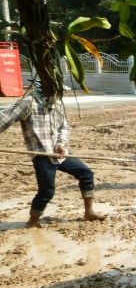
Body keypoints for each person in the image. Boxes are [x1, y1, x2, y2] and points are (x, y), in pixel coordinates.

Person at [0, 87, 106, 228]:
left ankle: (89, 212)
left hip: (60, 153)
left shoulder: (56, 103)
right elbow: (3, 119)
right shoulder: (27, 103)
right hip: (42, 155)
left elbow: (64, 127)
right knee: (47, 191)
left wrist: (61, 143)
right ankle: (32, 221)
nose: (58, 94)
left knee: (86, 174)